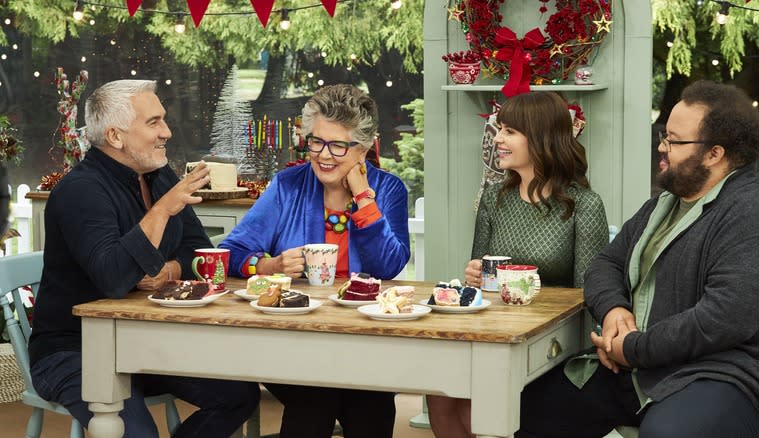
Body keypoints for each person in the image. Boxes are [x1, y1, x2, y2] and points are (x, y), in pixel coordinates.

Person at [515, 80, 759, 438]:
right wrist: (613, 311)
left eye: (674, 140)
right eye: (664, 136)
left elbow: (724, 318)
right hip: (639, 367)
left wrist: (633, 348)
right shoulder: (663, 204)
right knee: (531, 407)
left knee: (668, 433)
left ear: (715, 153)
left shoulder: (754, 213)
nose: (662, 146)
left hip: (723, 375)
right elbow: (604, 265)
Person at [28, 80, 260, 437]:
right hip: (75, 350)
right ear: (115, 136)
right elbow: (114, 279)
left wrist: (169, 268)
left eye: (163, 120)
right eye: (153, 122)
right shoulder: (80, 191)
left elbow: (198, 249)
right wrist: (163, 210)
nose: (166, 132)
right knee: (134, 432)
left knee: (237, 395)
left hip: (143, 342)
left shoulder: (159, 175)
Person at [219, 84, 409, 438]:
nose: (324, 155)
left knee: (371, 402)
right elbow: (231, 251)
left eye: (339, 145)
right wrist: (268, 266)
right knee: (316, 394)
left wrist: (364, 200)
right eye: (316, 142)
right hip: (293, 339)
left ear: (364, 148)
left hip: (363, 341)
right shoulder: (287, 185)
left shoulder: (389, 190)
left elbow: (389, 267)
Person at [427, 90, 609, 438]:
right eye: (500, 130)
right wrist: (474, 275)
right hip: (495, 333)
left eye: (509, 131)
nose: (497, 139)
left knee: (476, 403)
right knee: (441, 391)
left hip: (553, 345)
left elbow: (589, 296)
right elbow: (477, 286)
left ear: (540, 138)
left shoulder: (584, 205)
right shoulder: (495, 200)